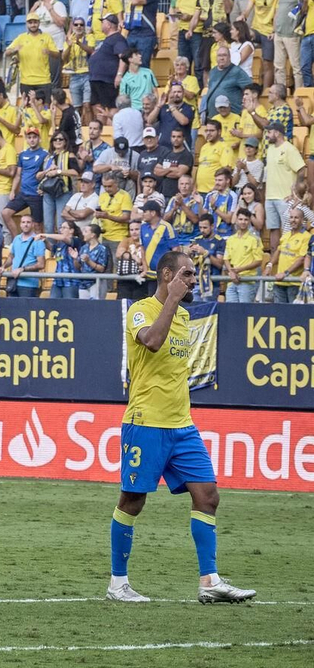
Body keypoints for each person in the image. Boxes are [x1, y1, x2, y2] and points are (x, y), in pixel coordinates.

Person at [108, 250, 256, 604]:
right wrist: (172, 299)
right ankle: (118, 583)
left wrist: (176, 302)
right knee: (133, 500)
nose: (193, 281)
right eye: (187, 275)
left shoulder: (185, 316)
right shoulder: (140, 310)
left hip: (182, 425)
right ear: (166, 276)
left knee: (208, 496)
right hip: (145, 423)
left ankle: (210, 581)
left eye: (194, 275)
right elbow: (153, 342)